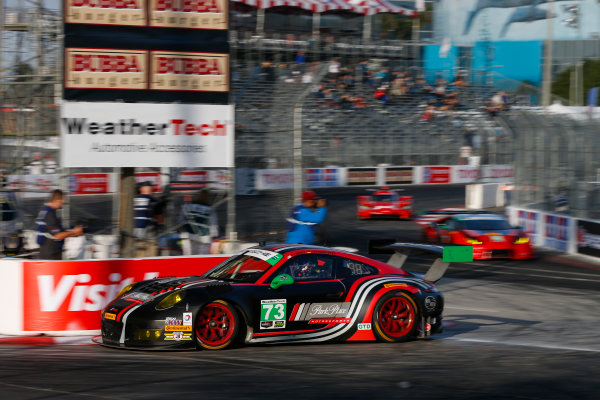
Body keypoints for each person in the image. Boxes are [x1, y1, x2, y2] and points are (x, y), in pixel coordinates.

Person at [35, 189, 83, 260]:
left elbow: (54, 232)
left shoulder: (45, 211)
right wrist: (73, 232)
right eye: (62, 201)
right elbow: (57, 236)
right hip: (51, 255)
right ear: (57, 200)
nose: (63, 204)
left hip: (46, 253)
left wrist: (73, 233)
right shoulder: (49, 214)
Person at [178, 189, 218, 254]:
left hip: (188, 236)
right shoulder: (210, 209)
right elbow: (213, 224)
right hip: (204, 238)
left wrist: (181, 231)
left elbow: (180, 221)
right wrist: (214, 236)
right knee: (201, 260)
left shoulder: (188, 205)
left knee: (188, 259)